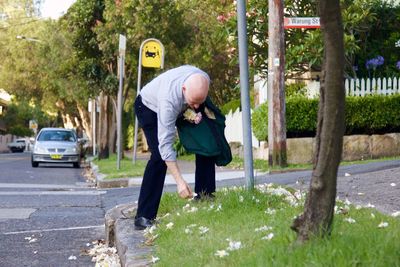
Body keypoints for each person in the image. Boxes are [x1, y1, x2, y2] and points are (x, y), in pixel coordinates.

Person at [134, 65, 217, 230]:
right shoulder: (168, 101)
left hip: (183, 101)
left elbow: (197, 103)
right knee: (158, 156)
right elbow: (166, 145)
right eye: (192, 102)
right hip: (148, 108)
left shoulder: (202, 80)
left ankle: (204, 195)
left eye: (198, 102)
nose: (195, 106)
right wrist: (179, 181)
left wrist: (195, 109)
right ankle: (144, 216)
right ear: (184, 89)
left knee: (205, 139)